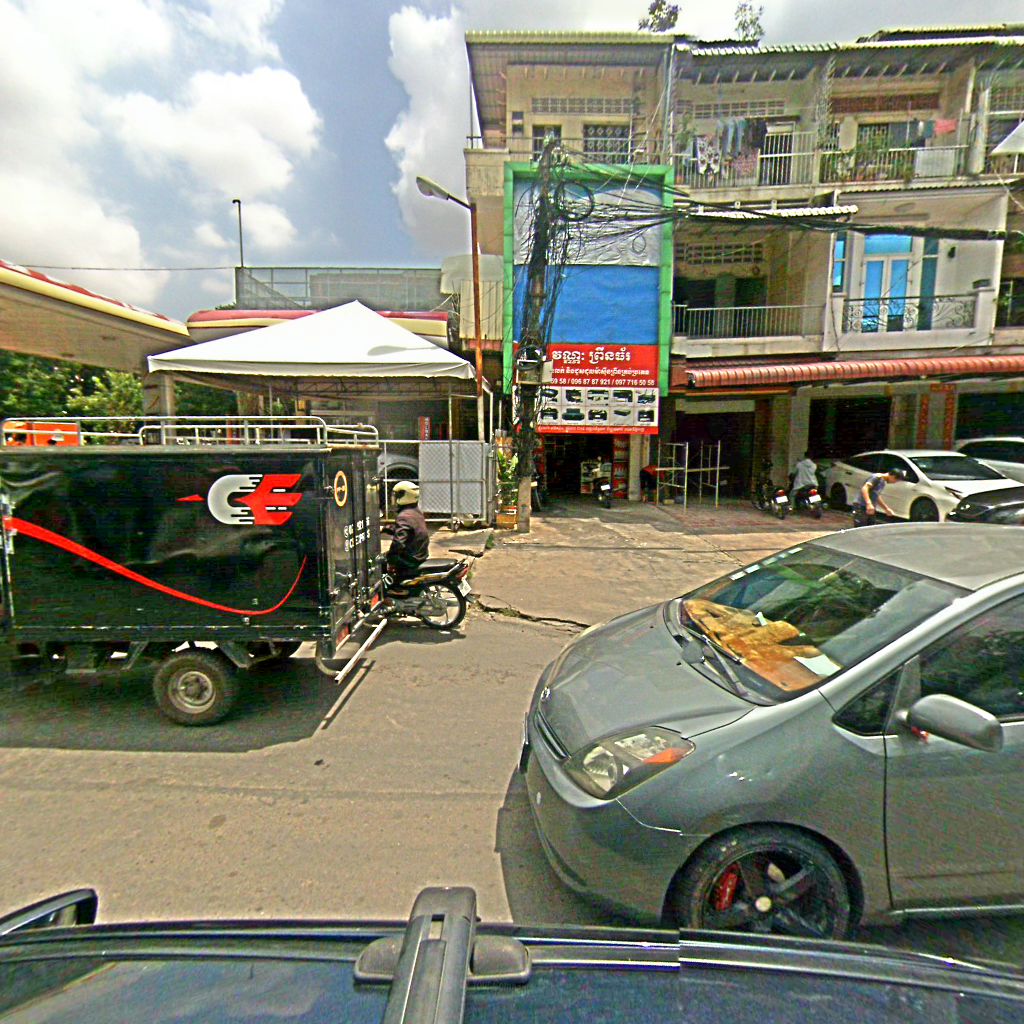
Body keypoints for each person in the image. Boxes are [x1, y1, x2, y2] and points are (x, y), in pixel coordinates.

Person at [385, 481, 430, 582]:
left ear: (404, 496)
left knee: (383, 561)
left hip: (411, 559)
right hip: (420, 553)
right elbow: (408, 530)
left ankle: (393, 586)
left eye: (396, 495)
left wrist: (389, 556)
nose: (394, 498)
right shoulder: (415, 511)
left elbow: (398, 543)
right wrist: (387, 528)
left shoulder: (404, 516)